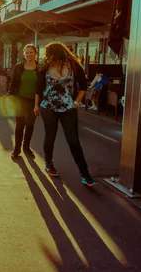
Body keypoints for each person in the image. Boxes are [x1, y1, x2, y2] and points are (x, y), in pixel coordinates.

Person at [34, 42, 96, 186]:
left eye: (48, 54)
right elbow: (39, 87)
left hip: (68, 108)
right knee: (50, 137)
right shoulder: (44, 67)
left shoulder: (74, 65)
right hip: (48, 107)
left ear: (55, 53)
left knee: (73, 140)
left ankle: (84, 173)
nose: (47, 57)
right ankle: (49, 164)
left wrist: (76, 103)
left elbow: (83, 85)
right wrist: (36, 105)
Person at [7, 44, 38, 159]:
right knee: (20, 125)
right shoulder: (19, 67)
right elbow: (13, 82)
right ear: (24, 54)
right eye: (27, 52)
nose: (29, 54)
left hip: (33, 101)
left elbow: (42, 85)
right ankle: (17, 149)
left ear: (35, 53)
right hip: (20, 99)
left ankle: (27, 148)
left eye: (31, 52)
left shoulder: (40, 67)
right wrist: (11, 95)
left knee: (30, 124)